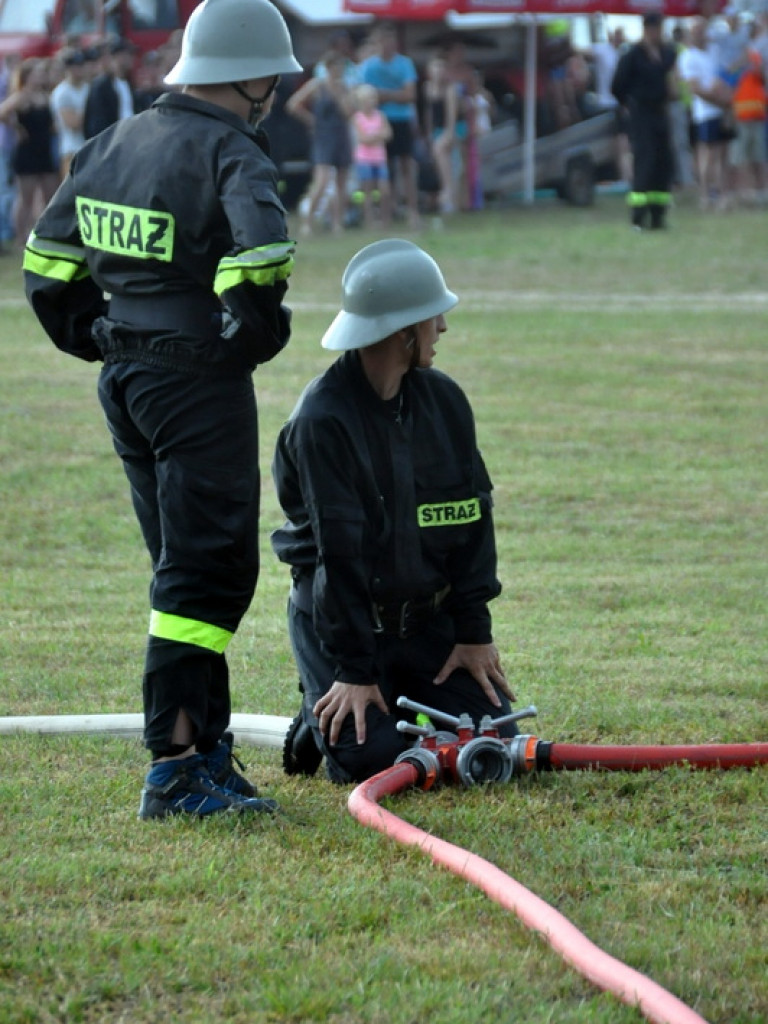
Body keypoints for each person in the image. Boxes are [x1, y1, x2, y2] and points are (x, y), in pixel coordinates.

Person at [23, 0, 302, 820]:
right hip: (194, 385)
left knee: (179, 565)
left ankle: (206, 749)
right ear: (248, 77)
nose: (278, 92)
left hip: (127, 381)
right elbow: (258, 266)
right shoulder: (232, 152)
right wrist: (239, 343)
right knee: (205, 569)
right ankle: (176, 768)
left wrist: (97, 336)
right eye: (274, 78)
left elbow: (45, 262)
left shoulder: (112, 143)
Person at [272, 239, 518, 785]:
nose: (444, 330)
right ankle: (325, 711)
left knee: (496, 741)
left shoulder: (446, 403)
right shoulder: (322, 422)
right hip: (345, 625)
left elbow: (473, 522)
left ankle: (382, 706)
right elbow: (337, 557)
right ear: (403, 331)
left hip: (426, 623)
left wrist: (473, 633)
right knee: (372, 759)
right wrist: (354, 671)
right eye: (435, 318)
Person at [611, 13, 677, 230]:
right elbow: (617, 85)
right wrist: (628, 103)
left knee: (662, 163)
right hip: (641, 114)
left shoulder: (667, 53)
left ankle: (658, 216)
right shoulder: (632, 56)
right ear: (647, 29)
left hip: (660, 112)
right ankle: (638, 217)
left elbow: (669, 77)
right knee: (645, 162)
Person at [358, 24, 420, 228]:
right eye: (382, 41)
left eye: (390, 40)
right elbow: (363, 95)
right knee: (384, 170)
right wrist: (395, 95)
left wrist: (383, 95)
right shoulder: (368, 67)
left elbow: (409, 95)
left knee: (406, 165)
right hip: (377, 122)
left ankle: (412, 210)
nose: (387, 45)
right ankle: (388, 212)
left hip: (401, 120)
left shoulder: (405, 64)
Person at [287, 51, 354, 235]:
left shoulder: (345, 88)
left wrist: (341, 96)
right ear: (327, 68)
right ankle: (307, 221)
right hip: (324, 136)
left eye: (340, 67)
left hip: (341, 134)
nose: (337, 71)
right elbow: (294, 104)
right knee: (322, 180)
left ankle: (337, 223)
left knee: (342, 182)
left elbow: (349, 114)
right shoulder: (317, 85)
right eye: (334, 67)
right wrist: (311, 120)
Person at [0, 58, 60, 252]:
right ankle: (20, 236)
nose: (42, 75)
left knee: (50, 193)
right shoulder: (22, 96)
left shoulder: (45, 95)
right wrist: (16, 127)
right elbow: (3, 112)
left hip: (44, 150)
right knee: (26, 196)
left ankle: (43, 232)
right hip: (27, 151)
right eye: (38, 72)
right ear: (27, 76)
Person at [678, 17, 733, 210]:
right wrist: (721, 101)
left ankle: (722, 193)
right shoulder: (688, 57)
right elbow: (696, 89)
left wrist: (727, 99)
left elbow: (724, 75)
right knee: (708, 153)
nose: (700, 34)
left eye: (702, 30)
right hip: (705, 112)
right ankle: (705, 194)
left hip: (722, 109)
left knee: (723, 153)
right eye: (696, 31)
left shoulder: (715, 51)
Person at [351, 83, 392, 228]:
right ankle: (369, 219)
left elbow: (388, 134)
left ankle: (385, 218)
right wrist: (377, 136)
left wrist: (373, 136)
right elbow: (362, 139)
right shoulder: (358, 118)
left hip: (379, 158)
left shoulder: (380, 116)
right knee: (367, 190)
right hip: (364, 159)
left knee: (384, 189)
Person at [83, 37, 136, 139]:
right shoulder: (101, 85)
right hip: (112, 143)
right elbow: (97, 122)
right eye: (127, 54)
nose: (130, 58)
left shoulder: (128, 83)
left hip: (129, 139)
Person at [50, 48, 89, 178]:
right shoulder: (62, 92)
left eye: (81, 65)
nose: (79, 69)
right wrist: (92, 109)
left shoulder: (88, 87)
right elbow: (73, 123)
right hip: (71, 149)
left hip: (90, 146)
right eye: (75, 66)